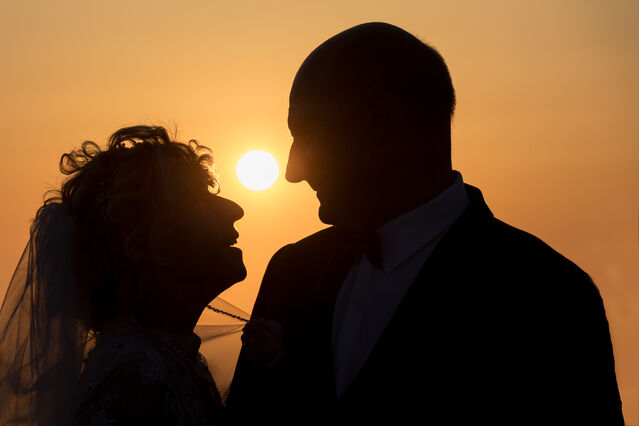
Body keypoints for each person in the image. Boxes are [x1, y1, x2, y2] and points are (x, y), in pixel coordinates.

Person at [228, 22, 625, 424]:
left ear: (377, 115)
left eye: (307, 134)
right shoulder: (291, 271)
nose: (292, 172)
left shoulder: (549, 294)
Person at [0, 126, 246, 426]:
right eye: (198, 197)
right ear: (148, 245)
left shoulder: (165, 358)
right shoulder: (134, 378)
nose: (234, 209)